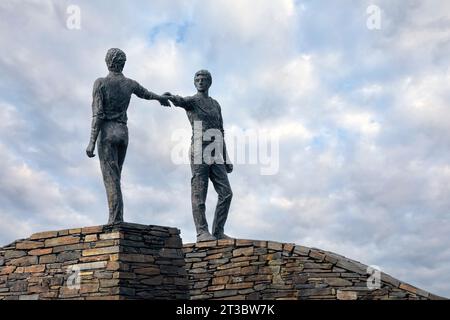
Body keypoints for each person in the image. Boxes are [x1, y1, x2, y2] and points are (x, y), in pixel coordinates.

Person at [86, 48, 170, 224]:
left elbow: (98, 114)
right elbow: (146, 94)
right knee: (116, 176)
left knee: (111, 177)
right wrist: (160, 98)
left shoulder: (100, 83)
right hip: (123, 133)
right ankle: (117, 216)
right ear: (122, 64)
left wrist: (91, 142)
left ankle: (115, 219)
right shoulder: (130, 84)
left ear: (108, 62)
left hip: (108, 132)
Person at [164, 70, 233, 242]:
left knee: (226, 193)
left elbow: (221, 131)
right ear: (194, 83)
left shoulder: (216, 104)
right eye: (197, 79)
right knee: (199, 192)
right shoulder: (193, 101)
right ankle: (202, 231)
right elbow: (181, 100)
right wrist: (170, 97)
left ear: (210, 82)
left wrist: (226, 157)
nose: (200, 81)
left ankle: (218, 231)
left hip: (216, 151)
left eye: (204, 79)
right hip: (199, 150)